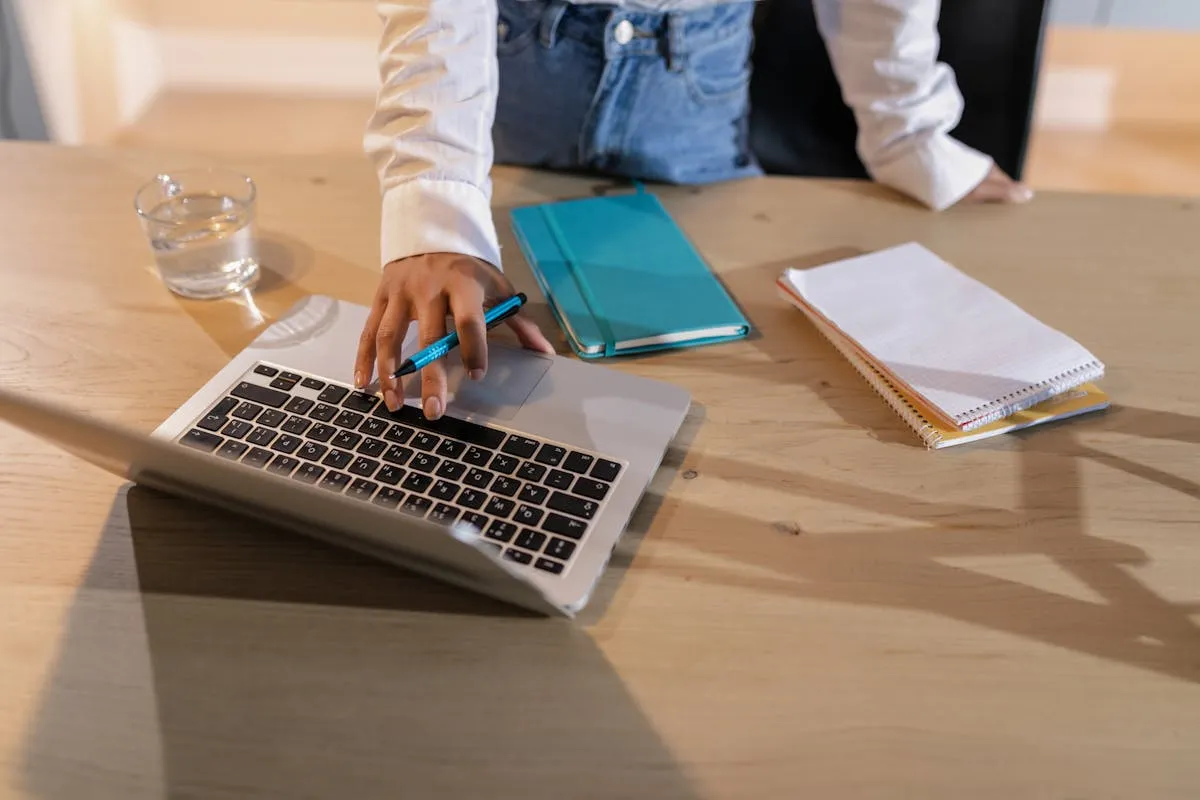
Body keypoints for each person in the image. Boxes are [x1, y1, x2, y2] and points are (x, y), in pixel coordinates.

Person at [355, 0, 1035, 420]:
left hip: (696, 75)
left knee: (723, 396)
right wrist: (435, 207)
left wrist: (907, 127)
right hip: (510, 57)